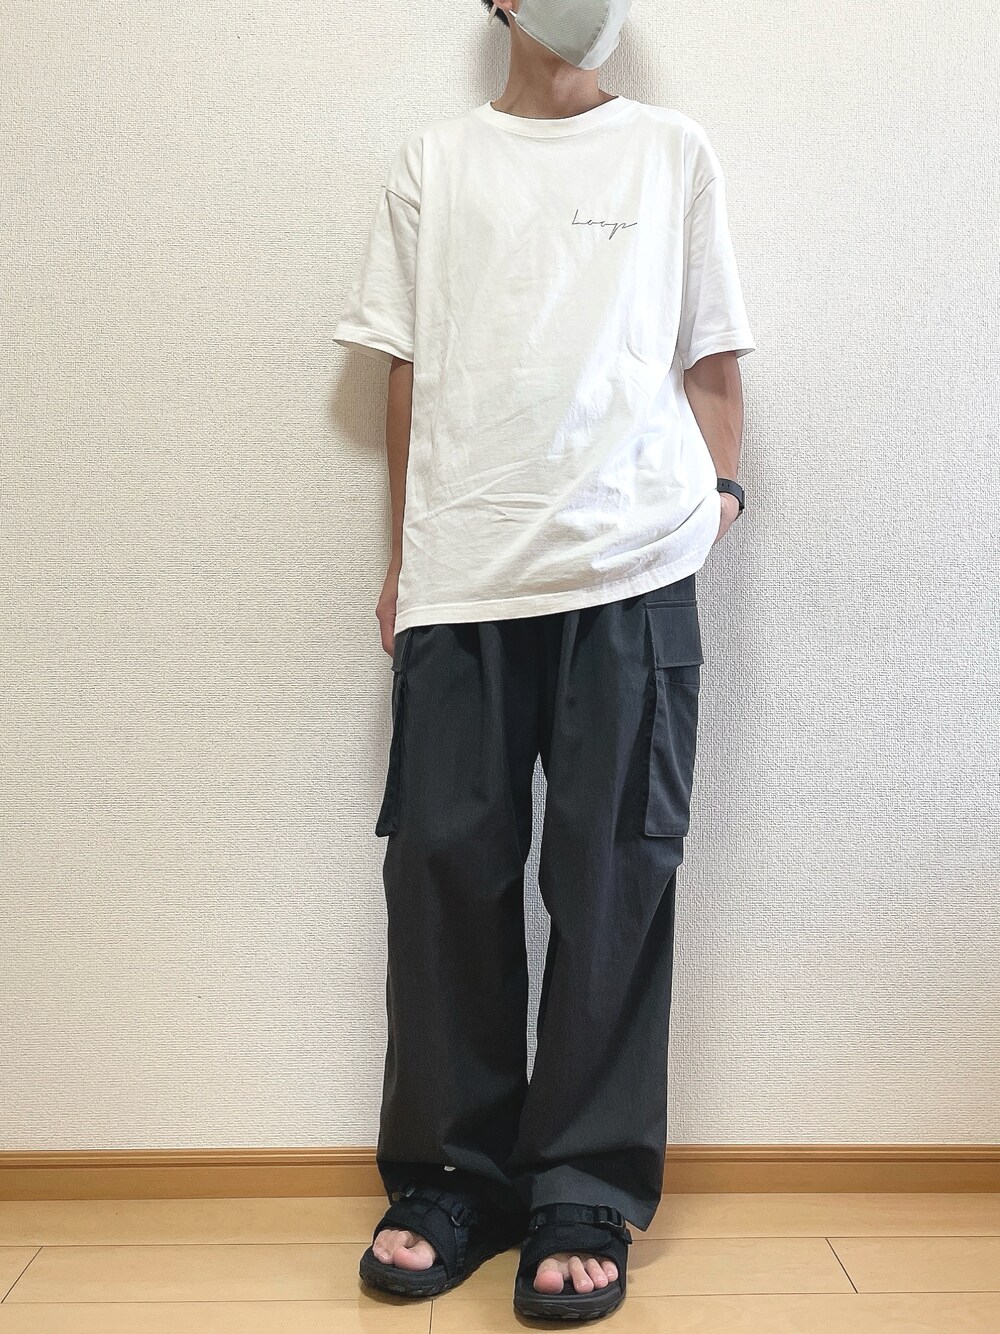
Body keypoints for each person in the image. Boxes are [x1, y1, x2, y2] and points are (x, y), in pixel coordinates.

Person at [334, 0, 755, 1320]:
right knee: (444, 867)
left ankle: (584, 1185)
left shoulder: (671, 151)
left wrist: (720, 501)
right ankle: (451, 1178)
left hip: (633, 567)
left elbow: (711, 349)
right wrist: (405, 555)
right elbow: (406, 373)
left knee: (614, 874)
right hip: (466, 568)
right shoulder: (436, 161)